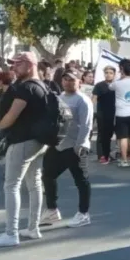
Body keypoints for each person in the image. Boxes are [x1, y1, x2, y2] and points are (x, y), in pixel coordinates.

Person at [0, 52, 49, 247]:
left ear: (30, 65)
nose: (13, 67)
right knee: (35, 184)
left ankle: (11, 233)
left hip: (23, 141)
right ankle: (33, 228)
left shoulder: (26, 88)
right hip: (40, 141)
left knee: (12, 185)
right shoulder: (42, 86)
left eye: (17, 64)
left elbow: (13, 115)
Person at [41, 69, 94, 229]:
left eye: (72, 80)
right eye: (65, 80)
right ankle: (52, 210)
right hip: (58, 145)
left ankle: (84, 214)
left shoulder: (83, 100)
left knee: (81, 181)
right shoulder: (59, 98)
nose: (68, 82)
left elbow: (86, 125)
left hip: (75, 147)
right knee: (48, 176)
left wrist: (81, 144)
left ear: (79, 82)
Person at [92, 66, 117, 164]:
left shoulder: (117, 85)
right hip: (102, 113)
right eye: (106, 72)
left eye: (111, 73)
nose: (108, 74)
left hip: (114, 113)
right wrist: (91, 111)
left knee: (109, 134)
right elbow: (94, 98)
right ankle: (101, 155)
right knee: (102, 134)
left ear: (114, 74)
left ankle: (107, 153)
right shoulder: (99, 85)